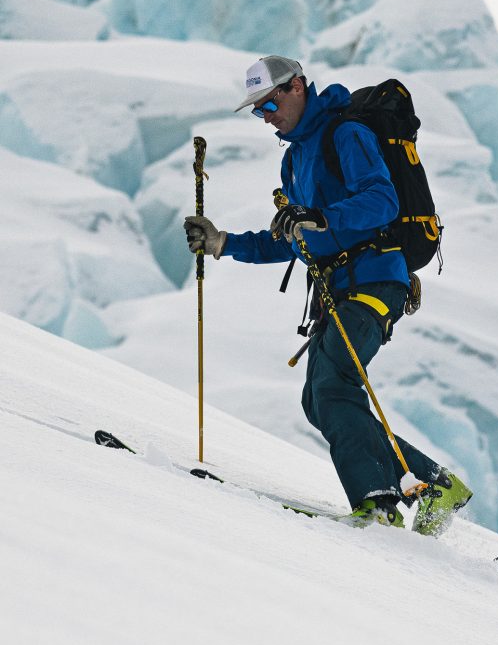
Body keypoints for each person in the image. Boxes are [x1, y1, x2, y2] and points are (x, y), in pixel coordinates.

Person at [184, 55, 472, 533]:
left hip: (374, 278)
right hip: (338, 290)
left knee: (333, 386)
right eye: (257, 109)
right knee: (319, 402)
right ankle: (433, 485)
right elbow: (294, 239)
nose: (266, 116)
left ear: (297, 87)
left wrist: (321, 216)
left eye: (270, 103)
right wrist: (224, 243)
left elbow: (382, 201)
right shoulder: (294, 159)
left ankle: (378, 503)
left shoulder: (345, 134)